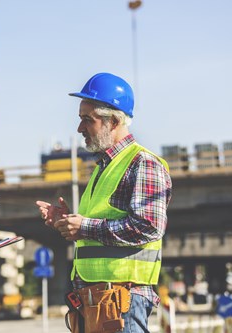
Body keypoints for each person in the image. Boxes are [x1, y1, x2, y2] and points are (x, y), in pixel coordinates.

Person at [36, 72, 172, 333]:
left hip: (121, 304)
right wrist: (67, 223)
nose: (79, 128)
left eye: (88, 119)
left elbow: (149, 226)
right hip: (98, 303)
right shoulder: (103, 167)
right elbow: (98, 228)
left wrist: (84, 227)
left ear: (114, 120)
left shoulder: (143, 163)